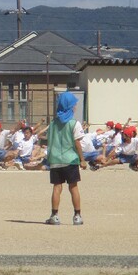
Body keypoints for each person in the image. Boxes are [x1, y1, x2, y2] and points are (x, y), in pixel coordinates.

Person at [44, 91, 87, 226]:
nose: (75, 107)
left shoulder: (52, 124)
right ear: (69, 106)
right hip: (71, 159)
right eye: (73, 105)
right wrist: (82, 159)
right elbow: (77, 143)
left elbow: (49, 141)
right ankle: (77, 216)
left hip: (56, 160)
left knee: (57, 187)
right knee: (73, 187)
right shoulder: (75, 124)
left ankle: (54, 215)